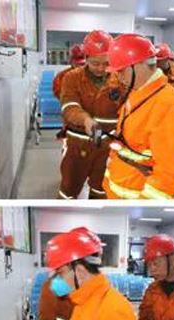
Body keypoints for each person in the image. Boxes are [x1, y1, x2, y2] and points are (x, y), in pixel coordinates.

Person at [103, 34, 174, 199]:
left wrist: (143, 207)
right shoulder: (137, 92)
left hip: (135, 198)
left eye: (121, 71)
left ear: (139, 65)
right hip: (119, 188)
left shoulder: (167, 104)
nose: (119, 77)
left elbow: (168, 174)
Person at [58, 30, 125, 199]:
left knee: (102, 190)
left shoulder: (121, 79)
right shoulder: (71, 78)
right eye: (95, 63)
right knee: (68, 190)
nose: (101, 68)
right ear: (86, 58)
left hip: (107, 146)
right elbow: (69, 106)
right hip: (78, 144)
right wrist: (85, 120)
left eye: (106, 63)